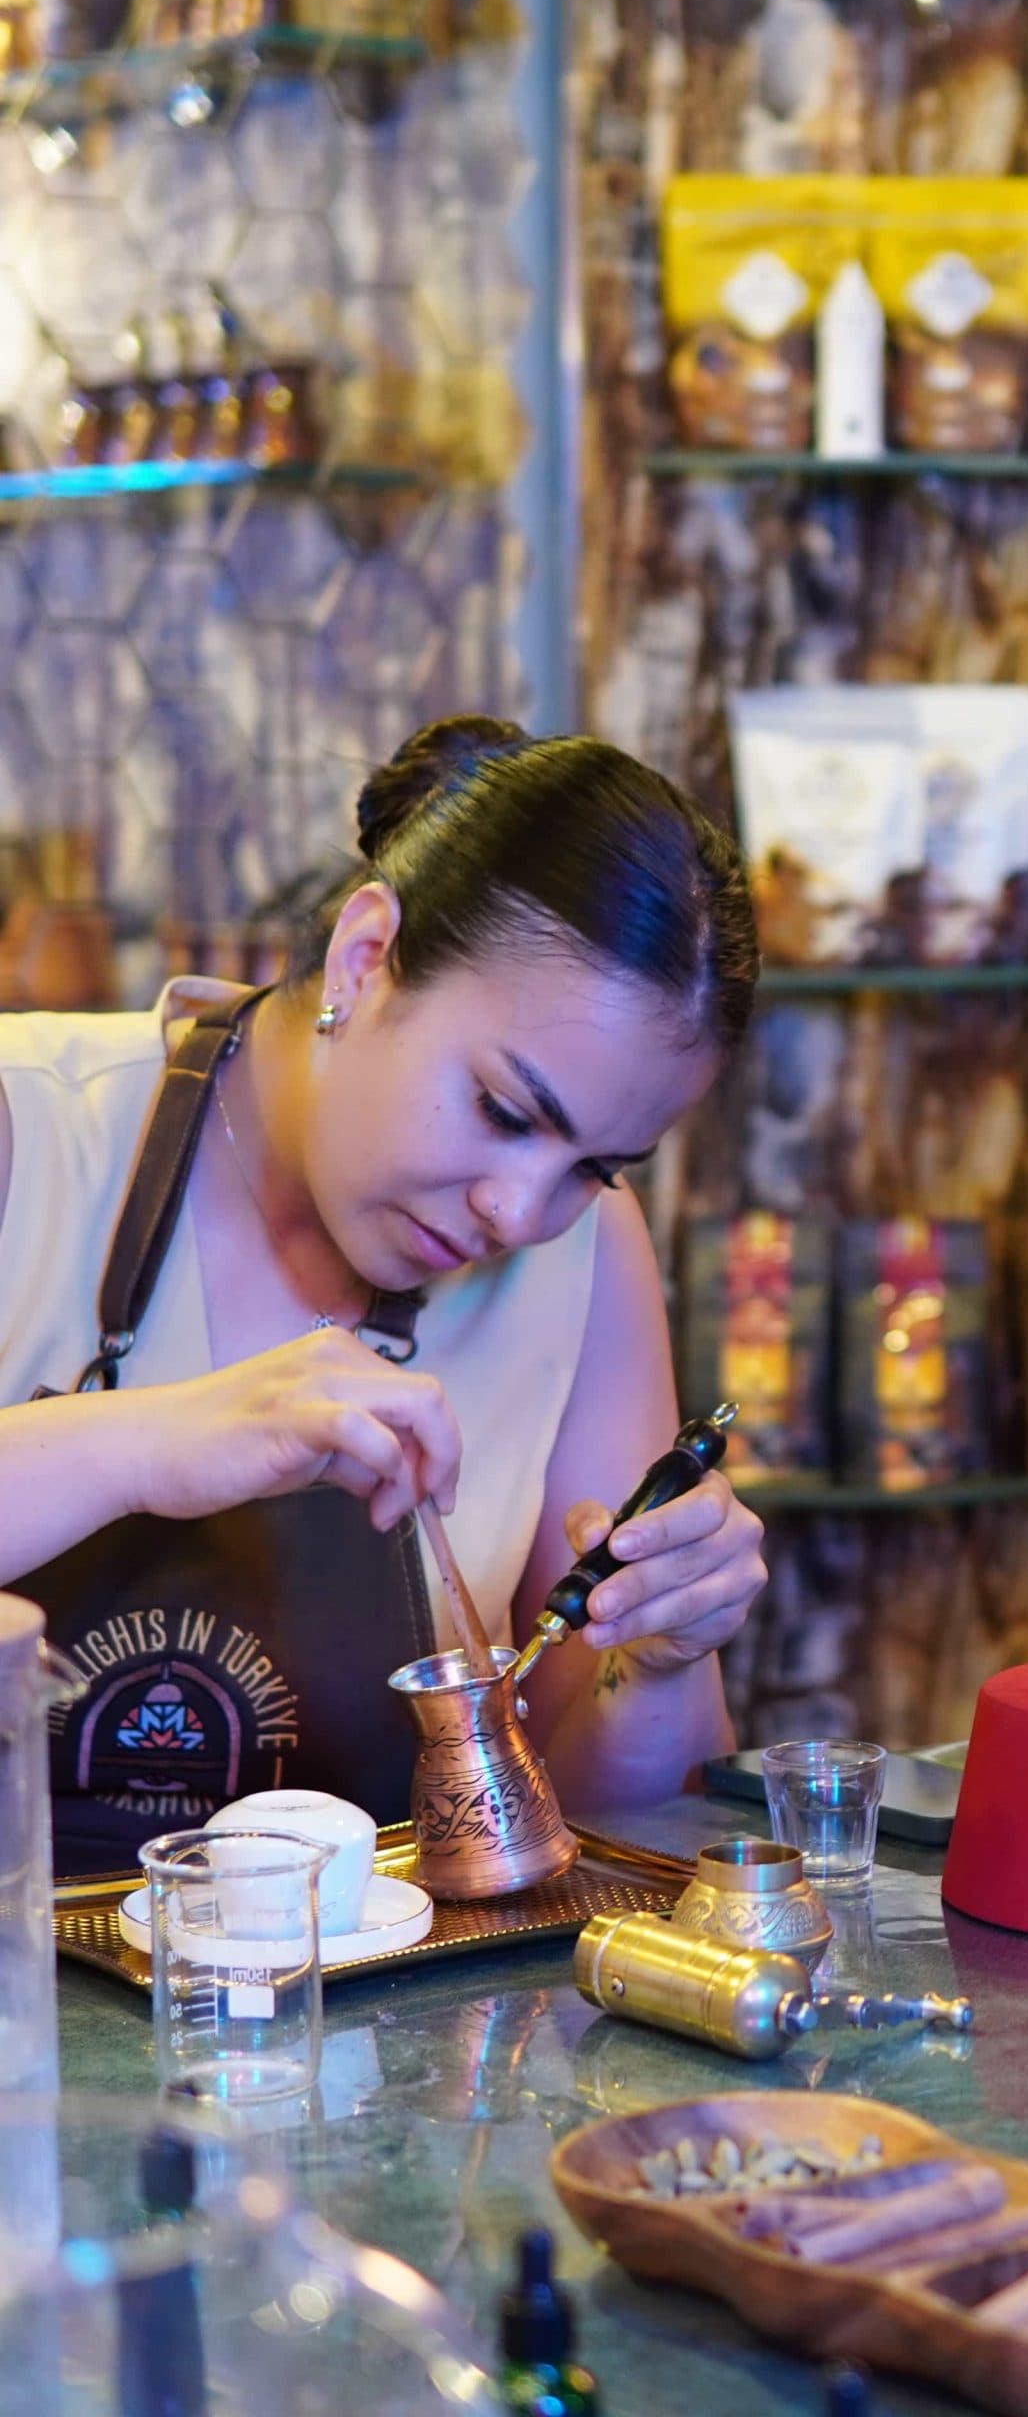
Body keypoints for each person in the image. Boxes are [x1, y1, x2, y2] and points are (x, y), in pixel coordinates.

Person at [2, 716, 770, 1872]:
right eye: (508, 1111)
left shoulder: (586, 1256)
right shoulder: (29, 1127)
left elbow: (605, 1828)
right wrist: (143, 1440)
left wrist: (660, 1656)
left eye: (593, 1166)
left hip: (363, 2038)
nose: (518, 1215)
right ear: (366, 959)